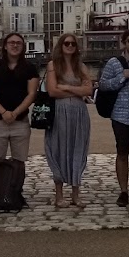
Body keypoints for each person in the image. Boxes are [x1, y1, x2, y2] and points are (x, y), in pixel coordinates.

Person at [97, 28, 129, 206]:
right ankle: (124, 191)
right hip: (120, 114)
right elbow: (102, 85)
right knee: (122, 153)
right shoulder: (114, 63)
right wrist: (121, 77)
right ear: (124, 43)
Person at [44, 34, 94, 208]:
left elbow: (89, 89)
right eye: (67, 43)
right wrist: (77, 91)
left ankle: (75, 193)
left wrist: (66, 87)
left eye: (73, 43)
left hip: (79, 114)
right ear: (61, 45)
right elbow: (52, 91)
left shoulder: (81, 67)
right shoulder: (53, 66)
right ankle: (59, 194)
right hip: (59, 113)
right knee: (58, 149)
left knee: (78, 149)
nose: (70, 46)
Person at [0, 32, 39, 167]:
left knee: (20, 161)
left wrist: (14, 113)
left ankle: (16, 187)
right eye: (11, 43)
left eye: (18, 43)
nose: (15, 45)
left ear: (23, 46)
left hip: (20, 121)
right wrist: (3, 112)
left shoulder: (30, 68)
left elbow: (31, 94)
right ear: (5, 46)